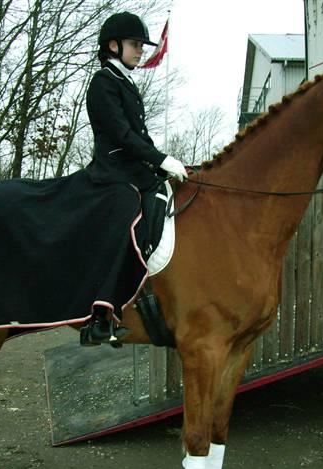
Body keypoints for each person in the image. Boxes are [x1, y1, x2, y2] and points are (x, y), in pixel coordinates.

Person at [80, 12, 188, 346]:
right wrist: (160, 159)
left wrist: (161, 164)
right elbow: (122, 134)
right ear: (114, 46)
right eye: (135, 44)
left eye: (142, 45)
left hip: (134, 169)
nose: (141, 51)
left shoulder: (126, 82)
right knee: (130, 215)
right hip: (113, 173)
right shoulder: (103, 82)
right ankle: (102, 313)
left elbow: (140, 136)